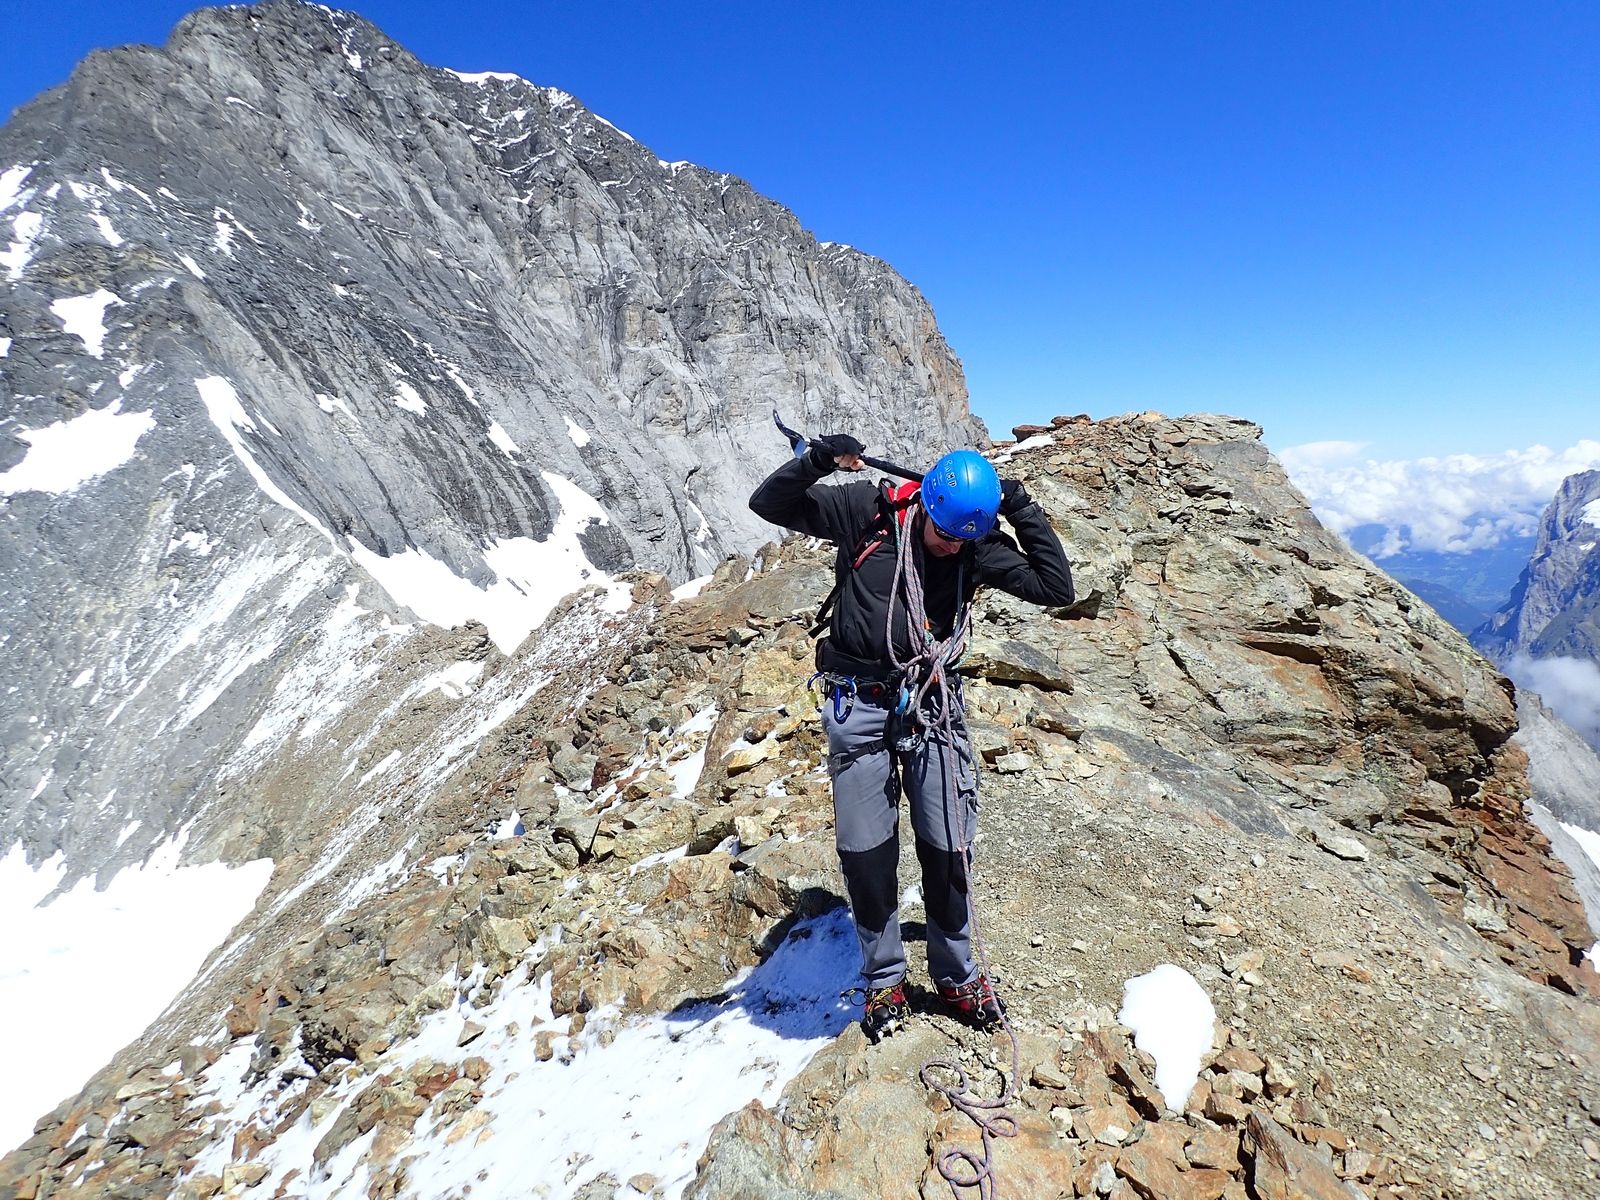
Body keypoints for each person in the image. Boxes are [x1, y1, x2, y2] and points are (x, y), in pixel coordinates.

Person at [749, 433, 1074, 1041]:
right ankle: (885, 979)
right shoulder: (868, 513)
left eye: (963, 539)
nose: (951, 546)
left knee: (949, 847)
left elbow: (1056, 588)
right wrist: (816, 462)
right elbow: (769, 504)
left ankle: (957, 976)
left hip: (931, 704)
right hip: (859, 702)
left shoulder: (974, 545)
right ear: (925, 505)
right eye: (945, 534)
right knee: (867, 852)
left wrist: (1020, 506)